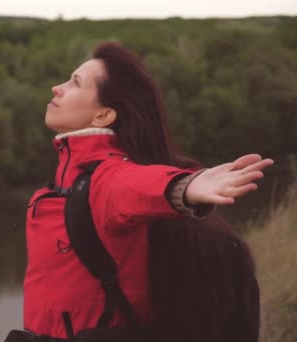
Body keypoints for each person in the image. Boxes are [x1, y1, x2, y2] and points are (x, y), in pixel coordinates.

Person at [14, 42, 272, 342]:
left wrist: (185, 187)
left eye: (75, 83)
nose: (57, 88)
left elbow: (135, 186)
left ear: (103, 116)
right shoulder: (67, 178)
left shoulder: (103, 177)